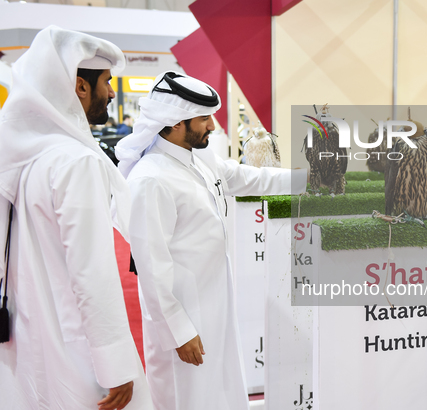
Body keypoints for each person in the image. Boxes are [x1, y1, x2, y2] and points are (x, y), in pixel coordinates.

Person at [115, 71, 307, 409]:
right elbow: (151, 267)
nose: (213, 127)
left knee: (220, 388)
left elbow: (247, 179)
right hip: (184, 315)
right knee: (187, 395)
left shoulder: (198, 158)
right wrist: (178, 330)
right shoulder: (151, 179)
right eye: (204, 118)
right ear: (174, 123)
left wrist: (307, 180)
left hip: (215, 302)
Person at [0, 26, 153, 410]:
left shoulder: (22, 158)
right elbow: (91, 272)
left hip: (27, 339)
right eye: (106, 81)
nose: (113, 93)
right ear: (80, 88)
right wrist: (116, 365)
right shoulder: (75, 161)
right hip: (77, 349)